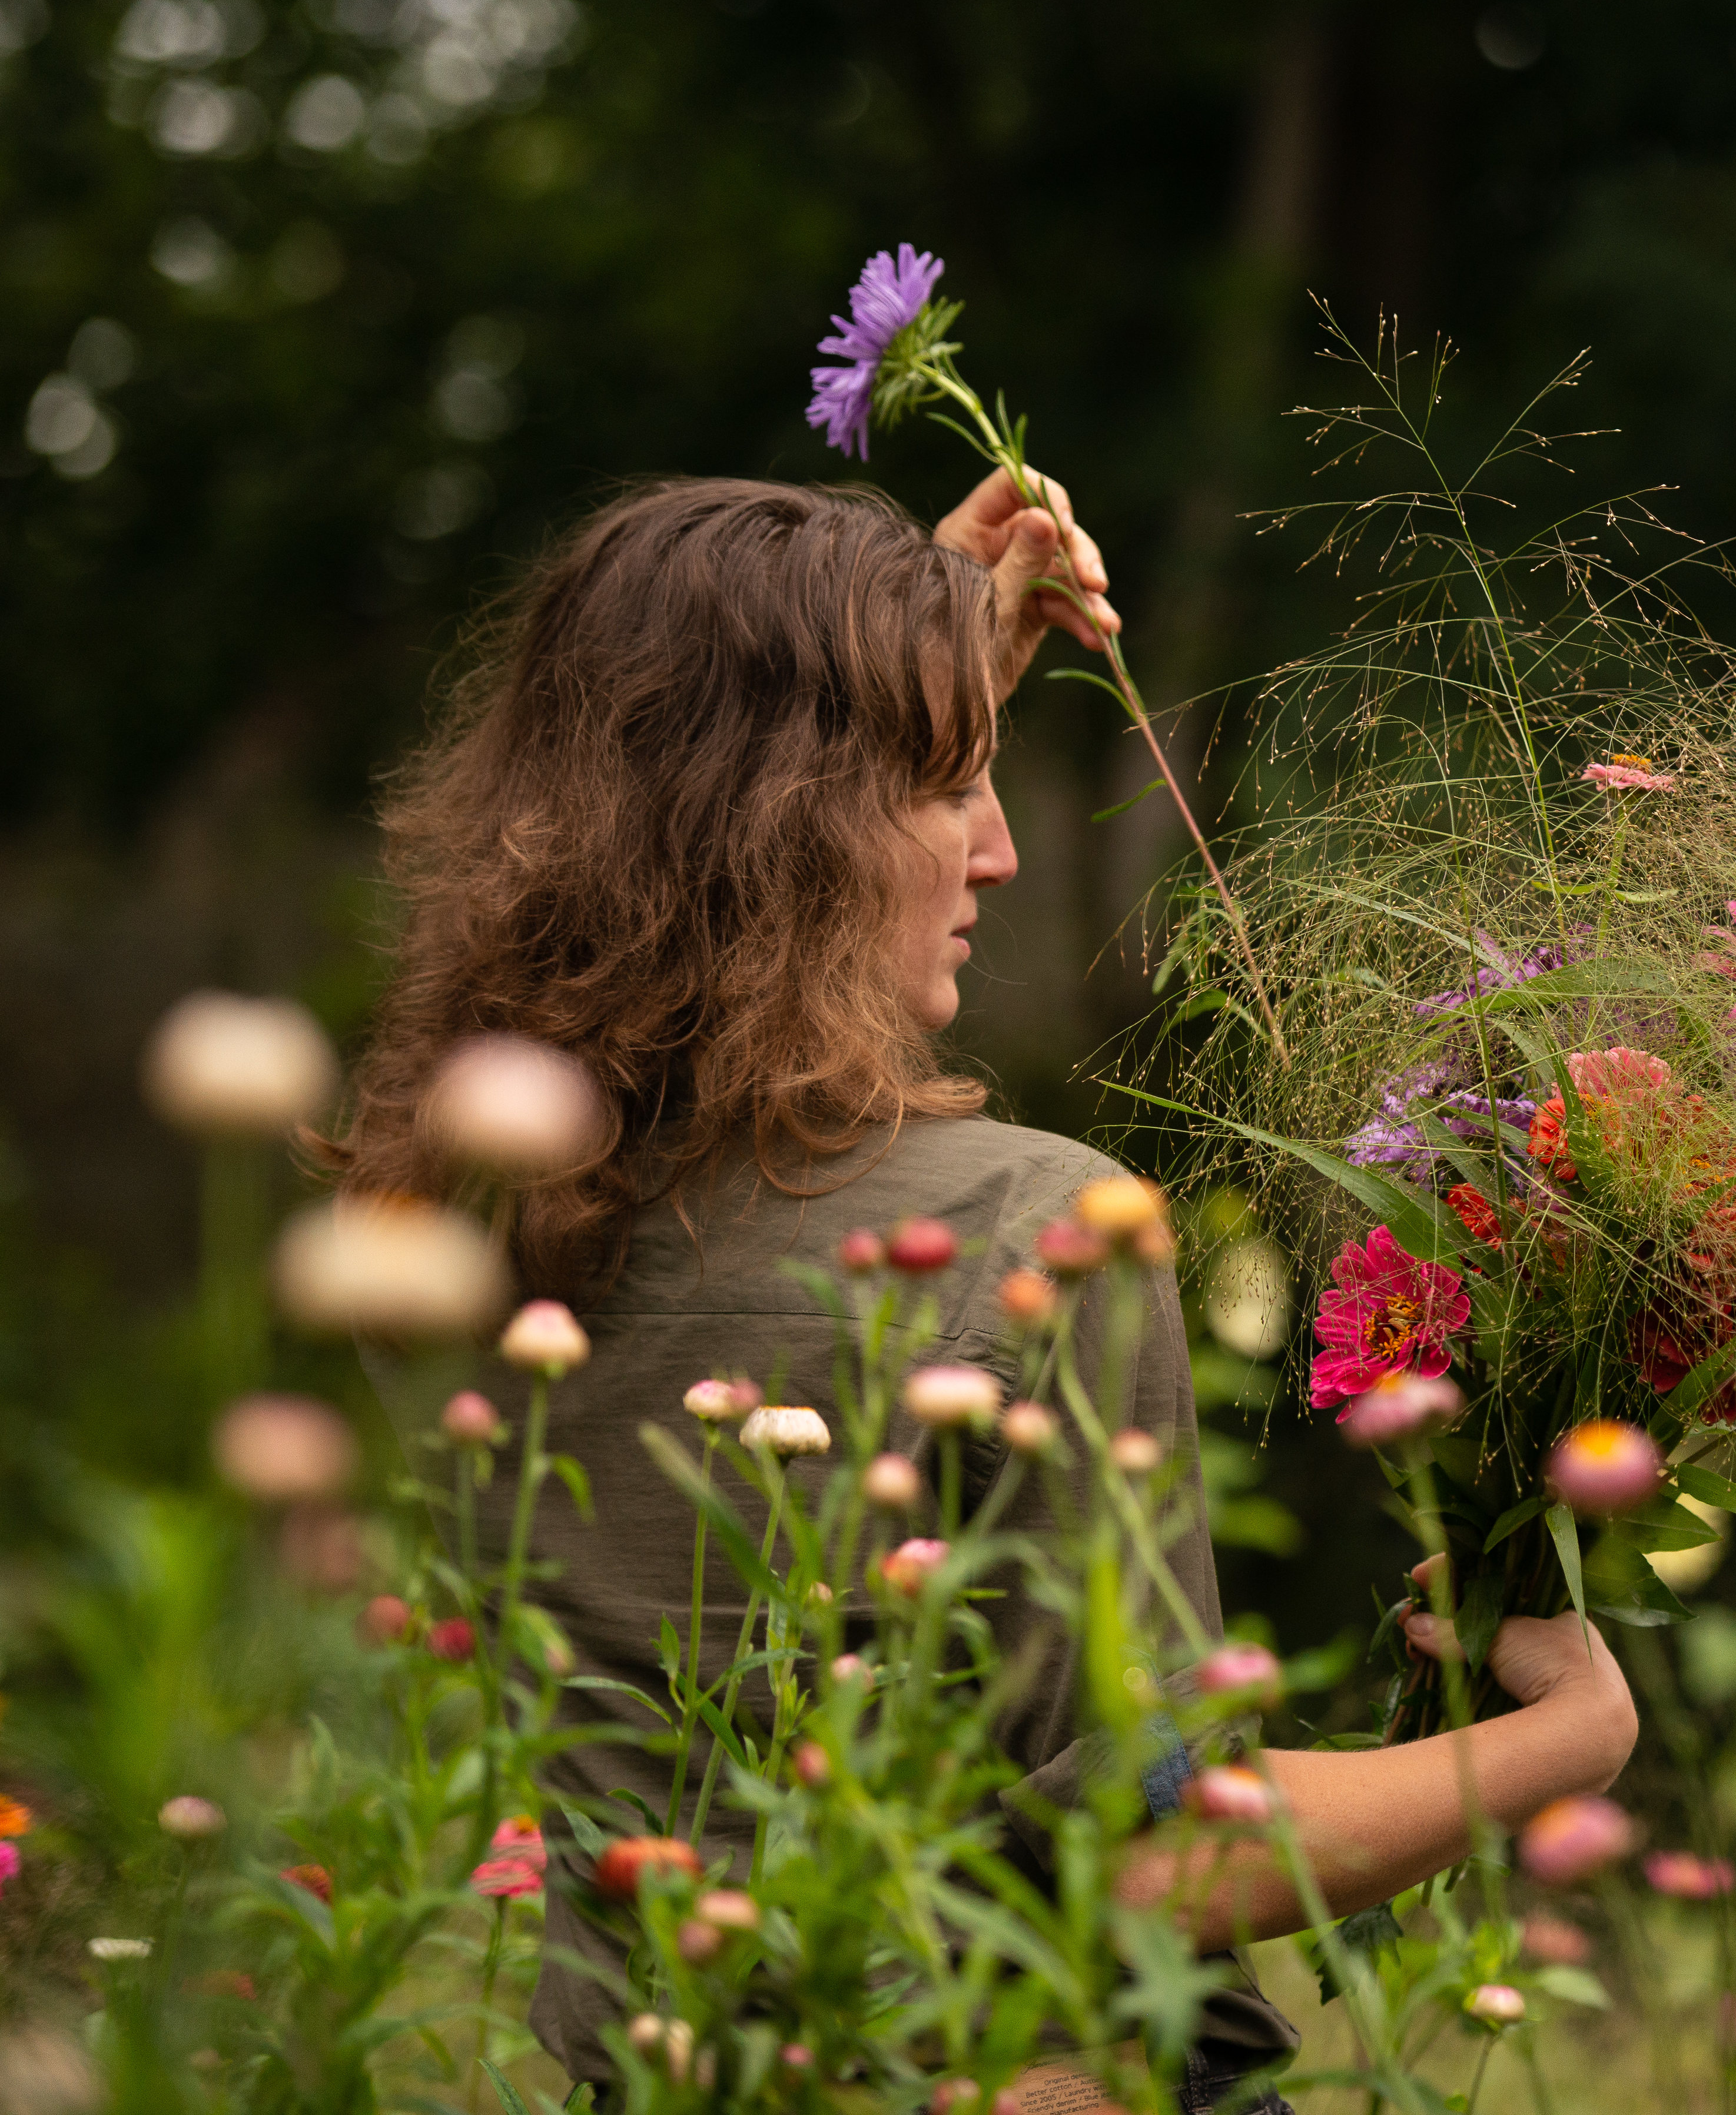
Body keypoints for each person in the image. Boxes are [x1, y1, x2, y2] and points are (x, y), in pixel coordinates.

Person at [333, 471, 1637, 2110]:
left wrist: (921, 663)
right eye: (954, 786)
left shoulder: (475, 1215)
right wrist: (1556, 1747)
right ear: (790, 824)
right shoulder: (1033, 1228)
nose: (1004, 852)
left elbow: (672, 785)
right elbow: (1145, 1867)